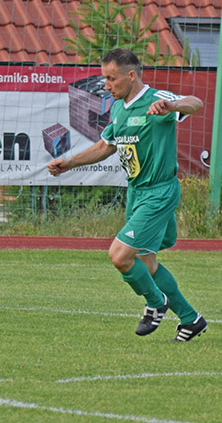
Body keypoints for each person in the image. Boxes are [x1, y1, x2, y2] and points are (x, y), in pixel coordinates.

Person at [48, 48, 206, 342]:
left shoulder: (156, 100)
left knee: (119, 256)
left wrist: (172, 107)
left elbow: (195, 103)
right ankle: (191, 319)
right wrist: (68, 162)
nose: (106, 85)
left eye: (112, 79)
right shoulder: (119, 107)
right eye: (104, 78)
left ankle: (157, 304)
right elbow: (105, 145)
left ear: (131, 76)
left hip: (159, 193)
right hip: (136, 193)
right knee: (146, 263)